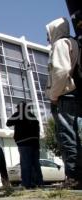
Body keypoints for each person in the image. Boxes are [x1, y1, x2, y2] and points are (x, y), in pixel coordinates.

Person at [46, 17, 82, 188]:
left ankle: (74, 177)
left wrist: (53, 95)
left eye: (48, 33)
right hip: (74, 94)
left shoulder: (60, 44)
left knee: (67, 136)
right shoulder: (72, 42)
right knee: (76, 135)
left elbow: (60, 71)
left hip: (64, 95)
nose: (47, 38)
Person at [6, 102, 43, 189]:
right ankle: (38, 183)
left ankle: (27, 184)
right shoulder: (33, 116)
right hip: (35, 143)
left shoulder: (19, 114)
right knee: (35, 164)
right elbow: (37, 130)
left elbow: (8, 123)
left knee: (25, 163)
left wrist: (17, 115)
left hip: (24, 142)